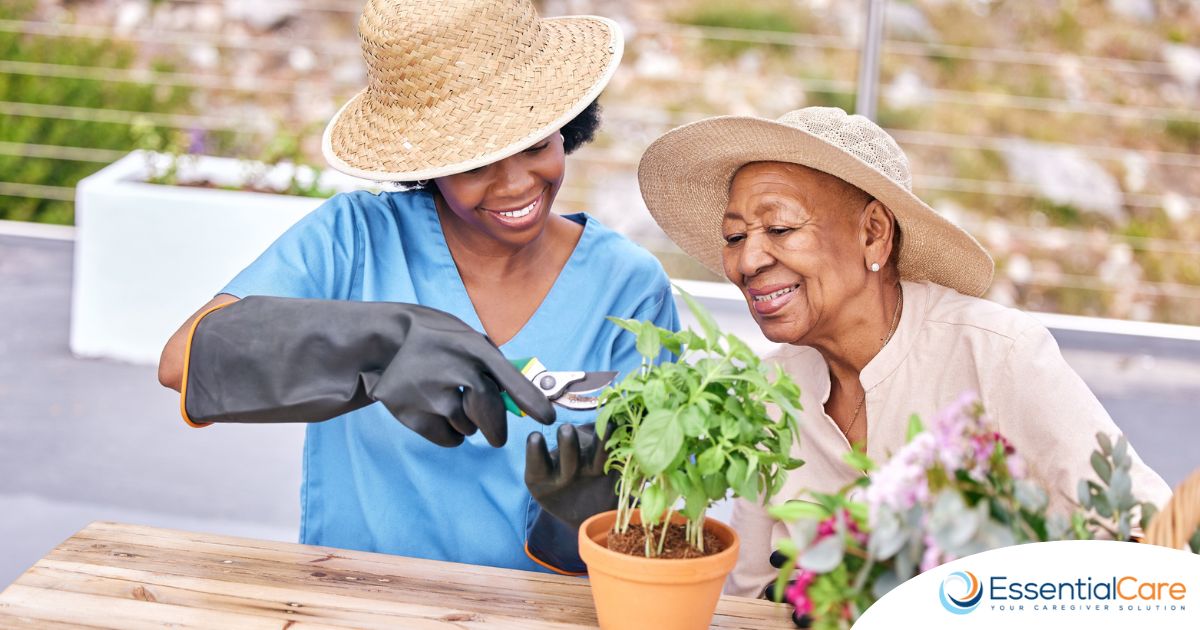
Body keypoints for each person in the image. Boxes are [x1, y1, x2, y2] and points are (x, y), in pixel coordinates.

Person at [157, 0, 677, 575]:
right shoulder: (355, 238)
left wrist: (579, 522)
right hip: (354, 602)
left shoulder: (627, 287)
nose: (516, 184)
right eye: (477, 162)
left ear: (570, 127)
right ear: (430, 161)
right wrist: (378, 344)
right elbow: (184, 362)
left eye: (536, 145)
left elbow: (652, 486)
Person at [636, 107, 1172, 604]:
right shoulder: (767, 396)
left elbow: (1158, 541)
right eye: (735, 236)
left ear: (873, 234)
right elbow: (752, 595)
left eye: (780, 228)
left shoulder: (996, 353)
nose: (747, 260)